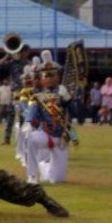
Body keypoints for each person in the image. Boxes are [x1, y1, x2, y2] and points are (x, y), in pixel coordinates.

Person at [25, 51, 78, 184]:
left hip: (62, 137)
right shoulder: (37, 95)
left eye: (52, 75)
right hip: (46, 134)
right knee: (30, 139)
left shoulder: (63, 92)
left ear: (58, 76)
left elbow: (76, 113)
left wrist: (68, 99)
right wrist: (28, 123)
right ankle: (32, 175)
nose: (49, 78)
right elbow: (32, 111)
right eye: (46, 75)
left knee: (57, 180)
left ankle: (44, 166)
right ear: (41, 79)